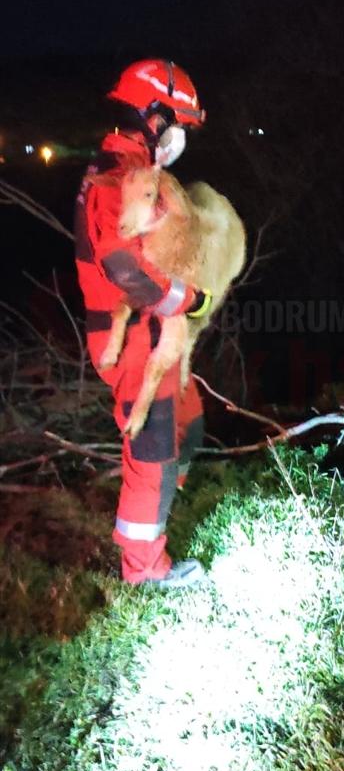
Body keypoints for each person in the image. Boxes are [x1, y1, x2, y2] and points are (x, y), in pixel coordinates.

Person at [75, 58, 210, 586]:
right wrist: (190, 300)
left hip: (151, 335)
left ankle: (158, 499)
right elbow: (127, 270)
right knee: (153, 448)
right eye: (177, 124)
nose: (179, 139)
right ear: (153, 117)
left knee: (187, 423)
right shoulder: (115, 181)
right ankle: (145, 571)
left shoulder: (135, 173)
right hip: (128, 338)